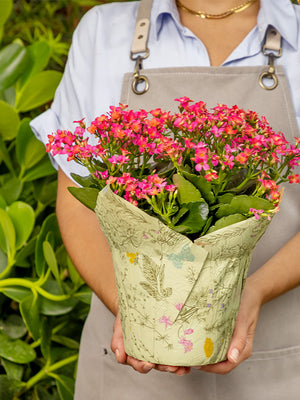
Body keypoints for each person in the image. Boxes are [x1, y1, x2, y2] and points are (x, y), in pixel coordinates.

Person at [30, 0, 300, 398]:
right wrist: (133, 308)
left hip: (276, 363)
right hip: (131, 365)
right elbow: (79, 205)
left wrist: (251, 293)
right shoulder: (103, 31)